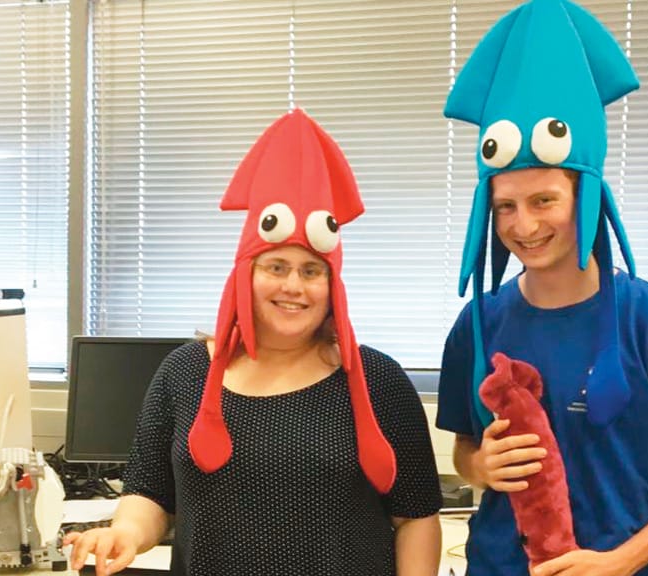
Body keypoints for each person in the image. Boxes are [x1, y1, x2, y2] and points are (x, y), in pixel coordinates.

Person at [64, 108, 442, 576]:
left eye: (311, 271)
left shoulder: (375, 379)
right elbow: (150, 493)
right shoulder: (185, 372)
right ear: (246, 274)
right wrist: (125, 533)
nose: (294, 287)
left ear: (332, 285)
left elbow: (416, 517)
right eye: (275, 267)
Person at [437, 1, 648, 575]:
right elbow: (465, 450)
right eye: (505, 207)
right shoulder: (478, 324)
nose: (524, 225)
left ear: (585, 197)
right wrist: (479, 466)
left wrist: (618, 563)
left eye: (545, 201)